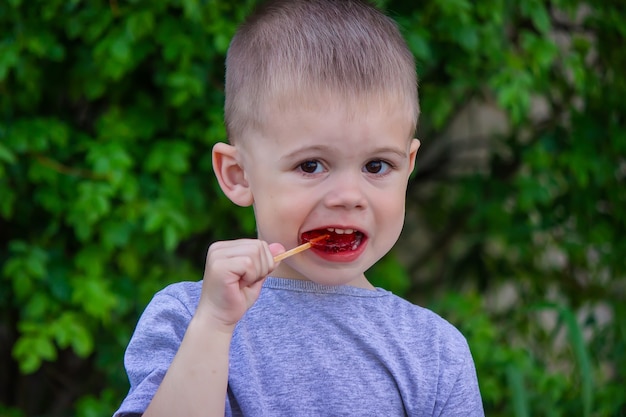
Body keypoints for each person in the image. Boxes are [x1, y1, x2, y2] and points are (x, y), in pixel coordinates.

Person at [113, 0, 484, 416]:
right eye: (311, 165)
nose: (348, 195)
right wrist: (214, 326)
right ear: (238, 175)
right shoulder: (188, 319)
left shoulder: (435, 351)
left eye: (376, 166)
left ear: (408, 167)